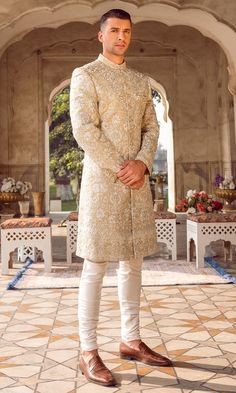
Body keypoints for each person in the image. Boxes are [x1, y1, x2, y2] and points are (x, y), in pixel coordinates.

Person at [70, 8, 172, 387]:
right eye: (114, 30)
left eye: (127, 31)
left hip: (136, 184)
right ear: (101, 35)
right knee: (95, 266)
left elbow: (152, 126)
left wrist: (143, 164)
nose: (121, 37)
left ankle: (130, 340)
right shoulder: (85, 75)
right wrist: (122, 166)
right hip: (103, 183)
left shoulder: (140, 80)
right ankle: (88, 350)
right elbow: (83, 130)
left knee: (133, 263)